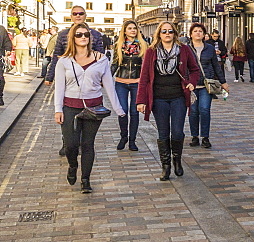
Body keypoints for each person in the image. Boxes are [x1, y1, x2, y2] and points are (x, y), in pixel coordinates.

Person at [53, 23, 126, 193]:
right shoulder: (64, 61)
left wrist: (118, 109)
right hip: (70, 106)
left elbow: (109, 85)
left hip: (94, 107)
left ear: (90, 38)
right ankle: (72, 166)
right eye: (79, 35)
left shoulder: (101, 59)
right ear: (73, 38)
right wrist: (58, 109)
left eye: (86, 34)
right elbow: (59, 88)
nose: (83, 37)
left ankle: (85, 179)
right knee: (71, 145)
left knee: (87, 144)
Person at [137, 22, 200, 181]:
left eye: (170, 31)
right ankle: (165, 166)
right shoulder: (151, 52)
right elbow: (144, 78)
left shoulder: (183, 50)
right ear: (159, 34)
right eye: (164, 31)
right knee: (163, 132)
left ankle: (177, 159)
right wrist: (141, 100)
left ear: (174, 34)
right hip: (159, 98)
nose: (167, 34)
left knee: (177, 132)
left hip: (178, 96)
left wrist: (192, 81)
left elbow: (194, 69)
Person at [46, 7, 106, 156]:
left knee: (84, 112)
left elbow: (101, 58)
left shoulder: (96, 35)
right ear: (71, 16)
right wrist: (49, 75)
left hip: (87, 78)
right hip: (67, 77)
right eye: (75, 14)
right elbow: (57, 56)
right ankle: (67, 141)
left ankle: (78, 142)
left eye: (81, 13)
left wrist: (102, 79)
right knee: (67, 110)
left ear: (86, 16)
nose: (78, 16)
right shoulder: (63, 35)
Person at [187, 23, 228, 149]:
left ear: (204, 34)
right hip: (191, 86)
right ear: (191, 34)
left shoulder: (209, 48)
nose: (198, 33)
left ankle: (205, 137)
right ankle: (194, 136)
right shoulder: (185, 48)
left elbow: (216, 66)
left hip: (206, 84)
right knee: (193, 112)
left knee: (204, 110)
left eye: (200, 31)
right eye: (195, 31)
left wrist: (223, 81)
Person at [111, 20, 148, 151]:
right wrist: (106, 79)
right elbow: (114, 64)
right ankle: (123, 137)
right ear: (124, 31)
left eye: (134, 28)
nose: (133, 30)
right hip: (121, 82)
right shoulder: (118, 45)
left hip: (136, 83)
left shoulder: (144, 45)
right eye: (130, 28)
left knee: (134, 112)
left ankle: (132, 140)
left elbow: (146, 66)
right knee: (122, 111)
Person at [0, 24, 13, 106]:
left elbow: (7, 41)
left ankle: (0, 96)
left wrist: (8, 49)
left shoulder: (1, 29)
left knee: (0, 79)